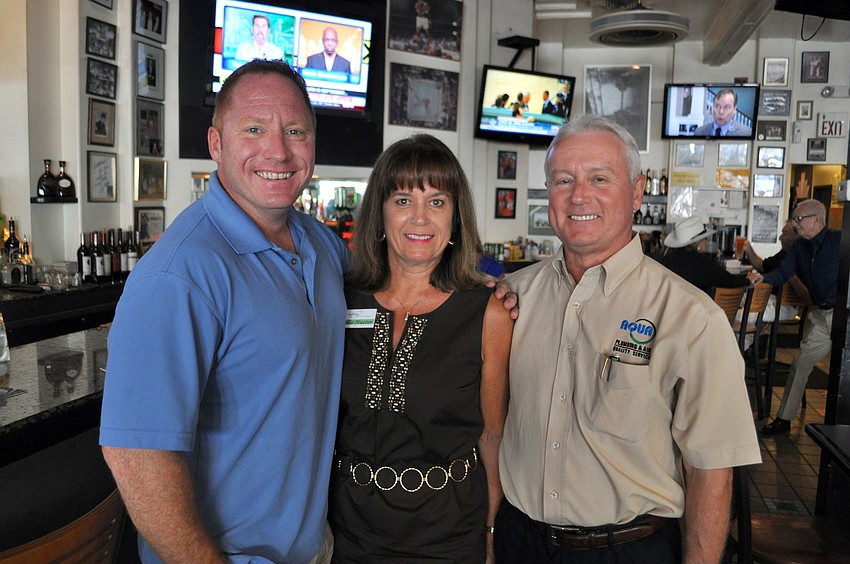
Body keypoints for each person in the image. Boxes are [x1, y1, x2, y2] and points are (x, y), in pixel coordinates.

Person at [99, 60, 348, 563]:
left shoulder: (320, 244)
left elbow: (398, 278)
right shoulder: (177, 275)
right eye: (254, 129)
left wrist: (484, 282)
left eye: (295, 131)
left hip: (315, 547)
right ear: (216, 144)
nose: (278, 150)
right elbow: (137, 457)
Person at [495, 115, 761, 563]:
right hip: (518, 542)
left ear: (637, 192)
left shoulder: (691, 318)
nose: (579, 195)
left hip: (630, 549)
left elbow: (712, 471)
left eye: (600, 178)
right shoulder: (511, 299)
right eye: (563, 180)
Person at [329, 134, 513, 562]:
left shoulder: (488, 311)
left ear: (455, 219)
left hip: (448, 535)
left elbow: (492, 435)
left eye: (436, 202)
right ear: (380, 214)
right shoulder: (340, 298)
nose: (419, 218)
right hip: (348, 531)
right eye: (402, 200)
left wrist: (491, 530)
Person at [749, 199, 839, 434]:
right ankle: (784, 418)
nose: (795, 223)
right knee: (800, 363)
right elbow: (783, 272)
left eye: (798, 219)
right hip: (821, 316)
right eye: (794, 219)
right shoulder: (799, 247)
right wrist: (763, 278)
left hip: (843, 315)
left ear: (816, 219)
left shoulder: (838, 241)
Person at [736, 220, 810, 350]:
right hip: (766, 299)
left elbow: (807, 297)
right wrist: (748, 249)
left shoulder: (804, 259)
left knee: (742, 315)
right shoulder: (783, 254)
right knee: (732, 303)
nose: (780, 237)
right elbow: (762, 266)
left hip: (785, 306)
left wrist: (789, 275)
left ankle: (739, 350)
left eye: (784, 233)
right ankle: (742, 349)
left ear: (797, 236)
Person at [658, 215, 749, 295]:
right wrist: (747, 280)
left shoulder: (667, 260)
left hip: (671, 308)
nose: (706, 242)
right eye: (704, 239)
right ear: (699, 244)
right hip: (698, 308)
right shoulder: (704, 263)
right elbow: (728, 281)